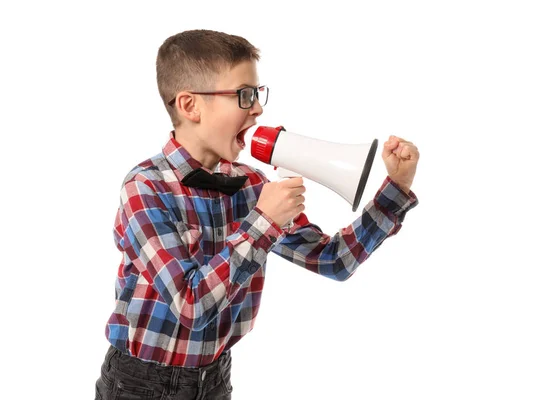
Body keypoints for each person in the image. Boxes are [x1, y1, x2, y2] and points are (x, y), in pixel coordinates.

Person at [95, 29, 420, 400]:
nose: (258, 109)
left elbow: (334, 261)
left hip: (215, 380)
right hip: (140, 386)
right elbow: (191, 303)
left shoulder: (251, 185)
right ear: (190, 106)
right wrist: (264, 221)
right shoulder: (145, 188)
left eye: (257, 94)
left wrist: (395, 188)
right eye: (244, 95)